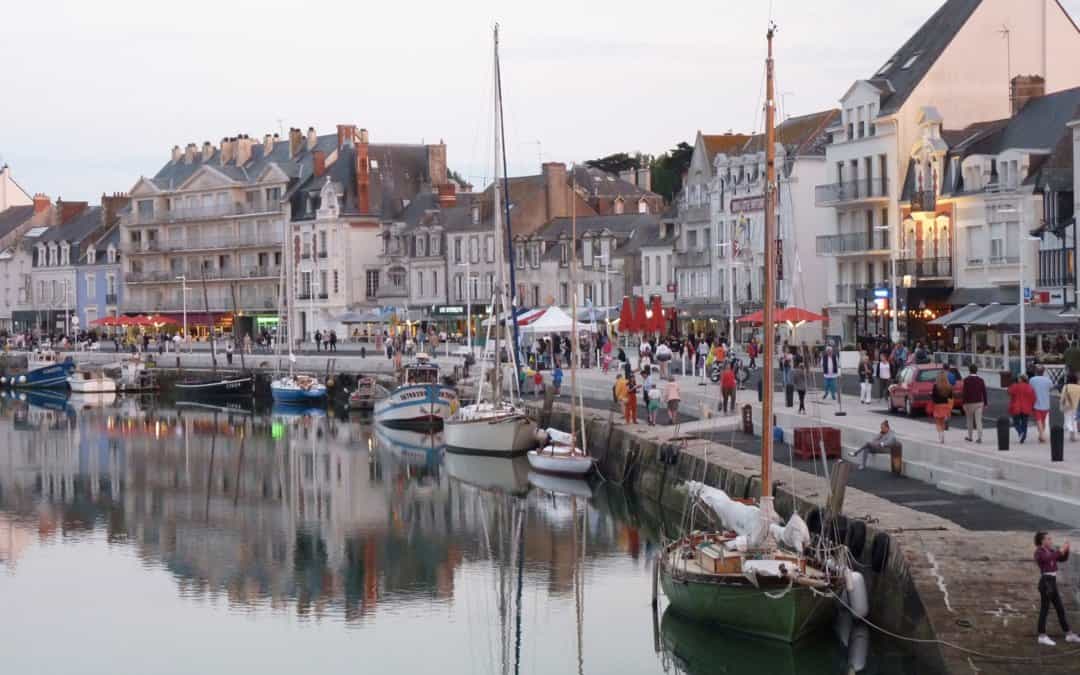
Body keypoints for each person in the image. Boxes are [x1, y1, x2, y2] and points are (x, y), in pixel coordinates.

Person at [1034, 531, 1079, 646]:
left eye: (1050, 539)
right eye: (1048, 539)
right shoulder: (1039, 552)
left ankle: (1069, 634)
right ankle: (1042, 636)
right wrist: (1060, 550)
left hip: (1052, 582)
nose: (1051, 541)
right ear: (1042, 541)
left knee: (1060, 608)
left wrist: (1066, 549)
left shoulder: (1051, 551)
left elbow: (1062, 558)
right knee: (1045, 609)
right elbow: (1048, 558)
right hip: (1046, 583)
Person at [961, 364, 987, 443]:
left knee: (969, 420)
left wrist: (963, 403)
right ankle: (979, 438)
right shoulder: (981, 380)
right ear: (977, 370)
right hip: (979, 402)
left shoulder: (966, 380)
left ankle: (970, 436)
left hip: (969, 403)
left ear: (969, 370)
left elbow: (964, 393)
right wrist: (985, 403)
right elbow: (984, 392)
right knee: (978, 421)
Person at [1008, 374, 1036, 443]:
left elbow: (1009, 392)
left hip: (1016, 407)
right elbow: (1033, 398)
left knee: (1016, 422)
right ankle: (1023, 436)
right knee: (1024, 423)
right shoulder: (1030, 387)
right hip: (1026, 407)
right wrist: (1032, 407)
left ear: (1020, 379)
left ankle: (1020, 432)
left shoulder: (1015, 386)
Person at [1030, 366, 1053, 443]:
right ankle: (1041, 435)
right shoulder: (1048, 380)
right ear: (1043, 372)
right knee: (1043, 421)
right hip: (1046, 403)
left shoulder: (1032, 380)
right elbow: (1051, 388)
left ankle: (1042, 435)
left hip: (1036, 403)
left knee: (1038, 420)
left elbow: (1030, 389)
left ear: (1036, 371)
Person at [931, 371, 953, 444]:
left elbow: (933, 397)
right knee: (943, 422)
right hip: (945, 405)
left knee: (938, 422)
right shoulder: (949, 386)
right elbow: (950, 397)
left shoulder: (936, 386)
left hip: (938, 405)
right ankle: (943, 434)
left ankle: (940, 436)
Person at [1061, 372, 1080, 442]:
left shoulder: (1066, 387)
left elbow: (1062, 397)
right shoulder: (1078, 387)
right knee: (1074, 421)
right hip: (1076, 406)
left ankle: (1071, 431)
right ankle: (1073, 435)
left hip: (1067, 406)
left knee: (1067, 420)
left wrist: (1061, 404)